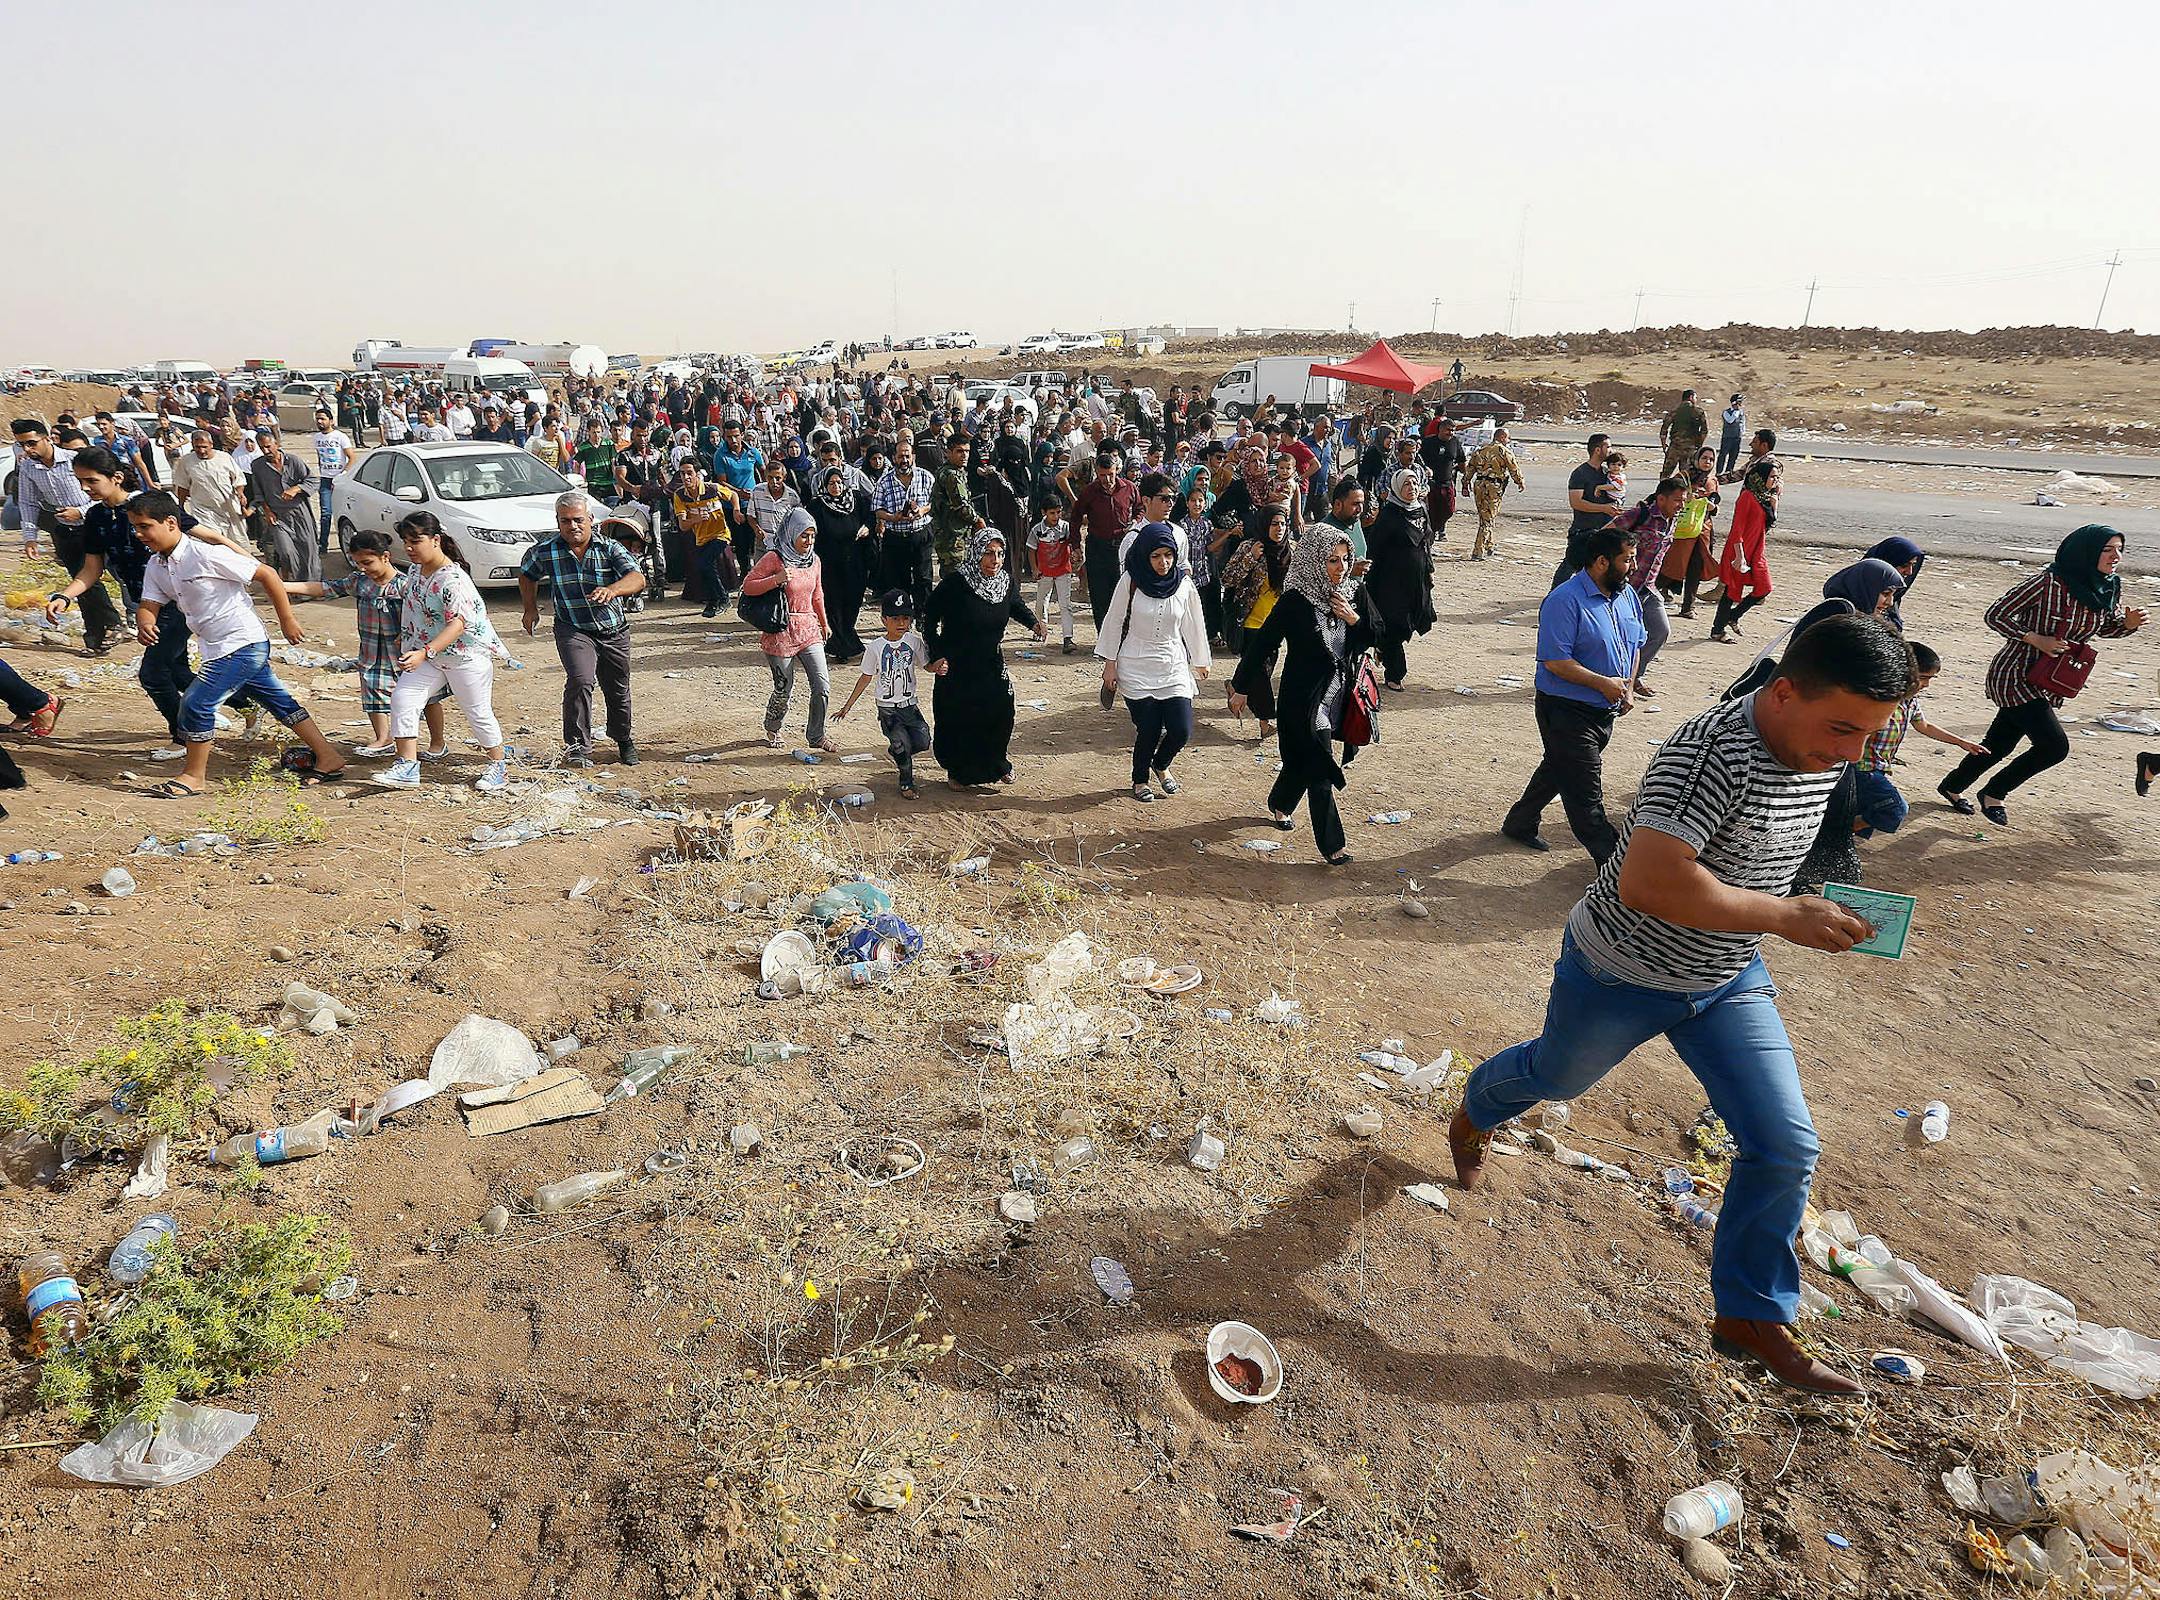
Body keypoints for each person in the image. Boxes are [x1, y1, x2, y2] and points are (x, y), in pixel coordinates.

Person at [1453, 616, 1918, 1395]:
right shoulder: (1706, 754)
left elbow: (1816, 838)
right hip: (1620, 972)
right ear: (1782, 693)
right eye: (1842, 729)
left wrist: (1833, 897)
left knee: (1784, 1145)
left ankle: (1750, 1314)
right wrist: (1781, 916)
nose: (1851, 753)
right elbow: (1650, 883)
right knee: (1556, 1079)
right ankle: (1475, 1106)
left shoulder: (1823, 750)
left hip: (1726, 977)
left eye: (1867, 736)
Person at [128, 490, 349, 799]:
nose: (138, 534)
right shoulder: (157, 564)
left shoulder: (207, 554)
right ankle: (328, 757)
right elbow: (150, 601)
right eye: (135, 527)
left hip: (242, 643)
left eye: (144, 526)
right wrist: (145, 620)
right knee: (278, 703)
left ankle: (194, 776)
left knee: (196, 703)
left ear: (170, 523)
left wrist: (287, 620)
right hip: (217, 647)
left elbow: (267, 574)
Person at [1938, 525, 2146, 825]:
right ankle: (1994, 793)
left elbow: (2103, 628)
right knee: (2054, 747)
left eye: (2119, 549)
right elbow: (1995, 614)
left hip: (2050, 680)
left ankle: (1952, 786)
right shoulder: (2048, 582)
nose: (2116, 556)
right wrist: (2033, 638)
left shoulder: (2108, 586)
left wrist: (2128, 624)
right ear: (2085, 552)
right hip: (2016, 674)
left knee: (1999, 743)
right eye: (2107, 549)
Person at [1229, 525, 1375, 864]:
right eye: (1331, 561)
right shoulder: (1295, 601)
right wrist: (1241, 688)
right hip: (1302, 701)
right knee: (1321, 766)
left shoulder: (1355, 593)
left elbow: (1374, 635)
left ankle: (1280, 802)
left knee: (1299, 761)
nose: (1340, 567)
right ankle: (1333, 845)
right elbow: (1262, 645)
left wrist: (1353, 619)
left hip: (1338, 696)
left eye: (1344, 559)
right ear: (1312, 561)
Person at [1501, 526, 1644, 862]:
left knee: (1558, 766)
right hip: (1566, 710)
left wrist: (1628, 686)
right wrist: (1603, 683)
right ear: (1600, 562)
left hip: (1604, 708)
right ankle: (1615, 868)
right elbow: (1555, 661)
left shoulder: (1626, 595)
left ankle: (1520, 822)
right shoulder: (1564, 601)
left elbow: (1636, 643)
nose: (1634, 566)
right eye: (1628, 560)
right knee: (1585, 797)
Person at [371, 514, 510, 792]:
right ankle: (407, 766)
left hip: (464, 655)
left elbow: (458, 623)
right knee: (403, 699)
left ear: (436, 540)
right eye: (406, 542)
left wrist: (424, 651)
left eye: (416, 541)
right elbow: (417, 607)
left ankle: (498, 766)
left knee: (477, 712)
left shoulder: (453, 579)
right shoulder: (415, 571)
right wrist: (409, 636)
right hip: (429, 654)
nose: (409, 548)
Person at [288, 528, 447, 759]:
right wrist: (282, 585)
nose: (363, 568)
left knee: (428, 698)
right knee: (373, 690)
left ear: (385, 557)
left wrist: (414, 636)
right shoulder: (360, 582)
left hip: (407, 653)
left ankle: (437, 743)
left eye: (367, 562)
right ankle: (384, 738)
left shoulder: (406, 585)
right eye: (358, 563)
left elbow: (427, 614)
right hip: (373, 651)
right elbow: (326, 588)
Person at [518, 490, 645, 767]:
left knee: (617, 689)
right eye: (566, 521)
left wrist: (613, 590)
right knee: (580, 680)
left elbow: (637, 578)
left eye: (578, 520)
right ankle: (577, 746)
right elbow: (527, 574)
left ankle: (623, 739)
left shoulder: (609, 548)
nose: (573, 526)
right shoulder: (546, 550)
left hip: (613, 629)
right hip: (573, 628)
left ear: (590, 519)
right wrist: (529, 608)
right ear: (558, 522)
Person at [1096, 522, 1210, 802]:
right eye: (1156, 556)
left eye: (1168, 555)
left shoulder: (1183, 584)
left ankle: (1161, 765)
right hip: (1136, 663)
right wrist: (1109, 663)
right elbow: (1113, 620)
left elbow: (1193, 622)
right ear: (1145, 555)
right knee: (1148, 728)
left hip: (1172, 662)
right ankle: (1140, 780)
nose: (1163, 562)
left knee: (1181, 729)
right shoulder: (1131, 580)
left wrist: (1200, 659)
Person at [922, 529, 1043, 788]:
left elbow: (1015, 605)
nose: (995, 560)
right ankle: (958, 772)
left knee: (1000, 713)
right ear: (976, 553)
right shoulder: (956, 584)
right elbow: (929, 619)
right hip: (956, 665)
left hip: (990, 662)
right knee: (959, 719)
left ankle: (998, 764)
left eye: (999, 554)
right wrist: (936, 655)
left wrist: (1033, 623)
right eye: (988, 553)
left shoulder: (1004, 582)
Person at [1852, 642, 1989, 838]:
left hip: (1878, 768)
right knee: (1895, 809)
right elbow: (1863, 732)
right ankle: (1842, 831)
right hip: (1863, 769)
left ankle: (1843, 839)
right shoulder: (1879, 698)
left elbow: (1924, 726)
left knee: (1864, 812)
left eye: (1930, 679)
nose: (1926, 685)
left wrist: (1961, 742)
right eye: (1923, 678)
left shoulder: (1910, 701)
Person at [12, 418, 120, 653]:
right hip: (64, 530)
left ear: (47, 439)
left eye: (31, 443)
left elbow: (104, 494)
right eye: (22, 445)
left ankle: (116, 622)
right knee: (80, 584)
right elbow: (28, 502)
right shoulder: (29, 467)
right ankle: (96, 639)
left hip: (94, 524)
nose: (28, 449)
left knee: (101, 577)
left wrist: (79, 511)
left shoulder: (74, 461)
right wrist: (29, 537)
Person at [742, 508, 834, 752]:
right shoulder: (775, 558)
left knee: (822, 685)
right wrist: (776, 579)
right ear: (792, 533)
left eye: (812, 536)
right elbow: (748, 586)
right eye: (804, 535)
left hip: (808, 629)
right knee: (784, 689)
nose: (809, 541)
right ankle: (773, 727)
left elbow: (818, 594)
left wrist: (824, 623)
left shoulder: (814, 560)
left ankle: (816, 735)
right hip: (780, 632)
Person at [834, 591, 931, 797]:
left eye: (906, 618)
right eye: (895, 618)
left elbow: (926, 665)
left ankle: (897, 751)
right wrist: (847, 706)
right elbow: (865, 677)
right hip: (887, 709)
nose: (901, 623)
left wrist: (939, 666)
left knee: (923, 741)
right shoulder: (876, 648)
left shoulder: (914, 643)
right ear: (884, 619)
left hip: (909, 705)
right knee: (901, 743)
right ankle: (906, 782)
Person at [1365, 469, 1435, 691]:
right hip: (1391, 582)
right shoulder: (1390, 515)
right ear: (1396, 488)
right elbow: (1375, 549)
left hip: (1416, 580)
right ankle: (1395, 673)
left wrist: (1428, 569)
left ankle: (1383, 648)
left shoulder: (1421, 510)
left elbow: (1426, 541)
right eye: (1406, 484)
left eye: (1414, 483)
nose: (1412, 488)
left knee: (1411, 621)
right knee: (1395, 624)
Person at [1708, 429, 1781, 643]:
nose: (1751, 444)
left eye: (1755, 441)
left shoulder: (1766, 485)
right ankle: (1718, 628)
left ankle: (1731, 617)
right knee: (1732, 589)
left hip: (1756, 546)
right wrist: (1711, 480)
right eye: (1773, 479)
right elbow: (1738, 528)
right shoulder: (1749, 495)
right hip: (1742, 546)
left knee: (1764, 587)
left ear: (1764, 444)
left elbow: (1769, 518)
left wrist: (1773, 508)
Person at [1619, 477, 1687, 696]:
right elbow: (1605, 536)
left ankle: (1635, 676)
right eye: (1677, 500)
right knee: (1621, 637)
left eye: (1683, 500)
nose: (1681, 505)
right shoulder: (1639, 515)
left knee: (1660, 631)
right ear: (1661, 499)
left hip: (1647, 588)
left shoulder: (1673, 520)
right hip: (1623, 589)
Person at [808, 465, 874, 663]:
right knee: (833, 602)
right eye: (831, 483)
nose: (836, 487)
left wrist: (867, 528)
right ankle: (839, 644)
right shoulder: (817, 505)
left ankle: (848, 634)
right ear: (824, 485)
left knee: (852, 600)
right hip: (830, 564)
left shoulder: (856, 500)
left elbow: (870, 517)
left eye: (839, 482)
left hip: (854, 562)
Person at [1071, 450, 1140, 630]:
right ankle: (1103, 638)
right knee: (1099, 595)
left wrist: (1134, 522)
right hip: (1098, 549)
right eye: (1103, 475)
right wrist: (1076, 545)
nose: (1107, 480)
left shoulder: (1129, 488)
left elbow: (1140, 509)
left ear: (1117, 470)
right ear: (1096, 473)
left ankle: (1122, 636)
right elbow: (1076, 516)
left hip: (1123, 548)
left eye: (1110, 475)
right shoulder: (1090, 491)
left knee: (1122, 592)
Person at [247, 428, 322, 584]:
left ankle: (310, 586)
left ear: (277, 444)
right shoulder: (258, 466)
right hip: (277, 516)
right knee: (286, 552)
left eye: (268, 446)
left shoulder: (293, 461)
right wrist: (267, 511)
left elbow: (313, 480)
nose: (266, 450)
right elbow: (258, 493)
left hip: (300, 512)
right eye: (262, 448)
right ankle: (290, 582)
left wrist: (296, 488)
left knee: (308, 549)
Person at [872, 436, 937, 613]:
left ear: (913, 456)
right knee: (898, 582)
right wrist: (894, 517)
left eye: (907, 456)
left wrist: (921, 511)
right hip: (895, 538)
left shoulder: (926, 477)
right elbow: (877, 510)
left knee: (924, 578)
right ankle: (902, 616)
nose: (904, 460)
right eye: (901, 456)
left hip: (921, 534)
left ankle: (923, 618)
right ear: (894, 458)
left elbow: (935, 502)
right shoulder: (884, 482)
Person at [672, 457, 739, 617]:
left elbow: (733, 496)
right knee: (704, 568)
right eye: (682, 474)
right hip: (701, 537)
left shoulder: (712, 489)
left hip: (720, 534)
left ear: (697, 474)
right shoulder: (680, 495)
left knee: (704, 563)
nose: (686, 477)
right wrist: (696, 519)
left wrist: (736, 510)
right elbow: (683, 525)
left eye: (689, 473)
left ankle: (722, 598)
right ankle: (714, 600)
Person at [1659, 447, 1720, 619]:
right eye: (1704, 458)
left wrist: (1712, 506)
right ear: (1696, 459)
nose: (1707, 462)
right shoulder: (1683, 477)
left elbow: (1715, 504)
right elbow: (1668, 496)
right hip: (1683, 531)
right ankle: (1647, 594)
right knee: (1673, 566)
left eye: (1711, 459)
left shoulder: (1712, 481)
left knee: (1696, 568)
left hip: (1702, 531)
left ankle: (1688, 607)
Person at [171, 423, 252, 546]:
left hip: (228, 507)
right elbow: (183, 485)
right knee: (211, 542)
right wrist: (181, 506)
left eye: (204, 447)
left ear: (211, 445)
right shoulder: (186, 461)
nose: (201, 450)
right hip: (204, 510)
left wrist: (240, 493)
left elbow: (238, 480)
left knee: (235, 544)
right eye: (197, 447)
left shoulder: (224, 458)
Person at [1558, 434, 1619, 581]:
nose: (1611, 451)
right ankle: (1554, 597)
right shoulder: (1580, 474)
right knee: (1571, 566)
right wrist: (1603, 508)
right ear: (1597, 450)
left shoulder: (1607, 473)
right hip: (1583, 530)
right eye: (1608, 447)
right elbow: (1576, 502)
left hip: (1604, 530)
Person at [1464, 426, 1525, 561]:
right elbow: (1513, 469)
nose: (1508, 441)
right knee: (1488, 519)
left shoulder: (1480, 450)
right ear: (1502, 437)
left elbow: (1470, 469)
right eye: (1507, 438)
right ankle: (1478, 550)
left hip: (1479, 485)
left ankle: (1489, 545)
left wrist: (1465, 483)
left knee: (1485, 516)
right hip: (1494, 487)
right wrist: (1520, 482)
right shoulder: (1504, 451)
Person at [1027, 497, 1079, 654]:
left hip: (1063, 570)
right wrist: (1034, 569)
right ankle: (1041, 629)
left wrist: (1076, 555)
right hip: (1045, 572)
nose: (1056, 516)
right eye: (1052, 513)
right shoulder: (1037, 530)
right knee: (1042, 602)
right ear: (1044, 513)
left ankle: (1068, 638)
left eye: (1058, 512)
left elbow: (1073, 543)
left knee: (1065, 605)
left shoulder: (1065, 528)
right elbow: (1031, 549)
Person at [931, 434, 986, 581]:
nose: (964, 455)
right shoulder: (952, 475)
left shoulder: (952, 471)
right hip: (952, 538)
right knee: (956, 581)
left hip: (951, 535)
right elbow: (961, 506)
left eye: (967, 451)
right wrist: (977, 520)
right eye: (959, 451)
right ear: (948, 452)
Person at [309, 408, 356, 554]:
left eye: (323, 418)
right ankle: (323, 545)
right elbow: (319, 457)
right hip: (325, 480)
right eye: (318, 418)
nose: (320, 421)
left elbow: (352, 458)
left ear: (331, 420)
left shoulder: (340, 437)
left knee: (348, 513)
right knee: (325, 513)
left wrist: (342, 474)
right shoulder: (317, 438)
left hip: (341, 481)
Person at [1417, 415, 1466, 543]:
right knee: (1431, 511)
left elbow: (1461, 460)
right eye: (1448, 430)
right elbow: (1417, 460)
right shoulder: (1428, 442)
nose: (1451, 433)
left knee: (1449, 510)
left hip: (1447, 483)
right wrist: (1425, 470)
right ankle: (1430, 535)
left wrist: (1466, 478)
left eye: (1453, 430)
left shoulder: (1455, 442)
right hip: (1431, 485)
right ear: (1440, 430)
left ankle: (1435, 528)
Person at [1861, 536, 1926, 630]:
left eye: (1913, 565)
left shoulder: (1891, 597)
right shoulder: (1853, 599)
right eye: (1904, 565)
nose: (1909, 572)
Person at [1821, 557, 1906, 622]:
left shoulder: (1864, 618)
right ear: (1863, 590)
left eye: (1892, 595)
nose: (1890, 603)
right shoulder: (1840, 619)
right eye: (1885, 594)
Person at [1659, 389, 1709, 480]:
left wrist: (1663, 444)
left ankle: (1662, 492)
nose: (1696, 399)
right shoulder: (1698, 411)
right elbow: (1704, 431)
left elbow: (1664, 430)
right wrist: (1699, 445)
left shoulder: (1674, 411)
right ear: (1691, 397)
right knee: (1687, 476)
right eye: (1695, 397)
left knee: (1665, 475)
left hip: (1675, 447)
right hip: (1690, 449)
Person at [1717, 394, 1746, 477]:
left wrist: (1741, 432)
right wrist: (1736, 411)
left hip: (1737, 437)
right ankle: (1719, 472)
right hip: (1727, 437)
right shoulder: (1726, 412)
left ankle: (1728, 471)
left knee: (1733, 456)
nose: (1741, 404)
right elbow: (1730, 420)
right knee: (1723, 455)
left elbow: (1742, 423)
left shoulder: (1741, 412)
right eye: (1739, 402)